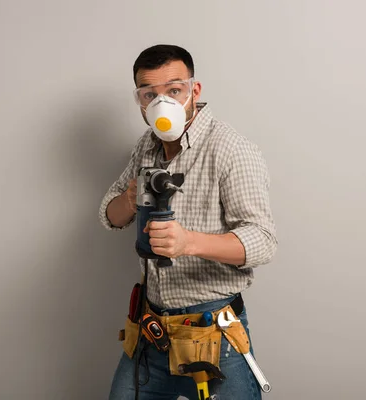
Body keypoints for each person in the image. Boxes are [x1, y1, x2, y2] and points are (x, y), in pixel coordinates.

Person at [100, 44, 277, 400]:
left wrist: (188, 243)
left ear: (194, 91)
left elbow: (262, 241)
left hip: (214, 334)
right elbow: (109, 215)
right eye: (149, 94)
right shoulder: (145, 147)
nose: (161, 102)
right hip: (151, 332)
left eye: (174, 90)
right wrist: (130, 199)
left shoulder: (230, 149)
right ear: (139, 100)